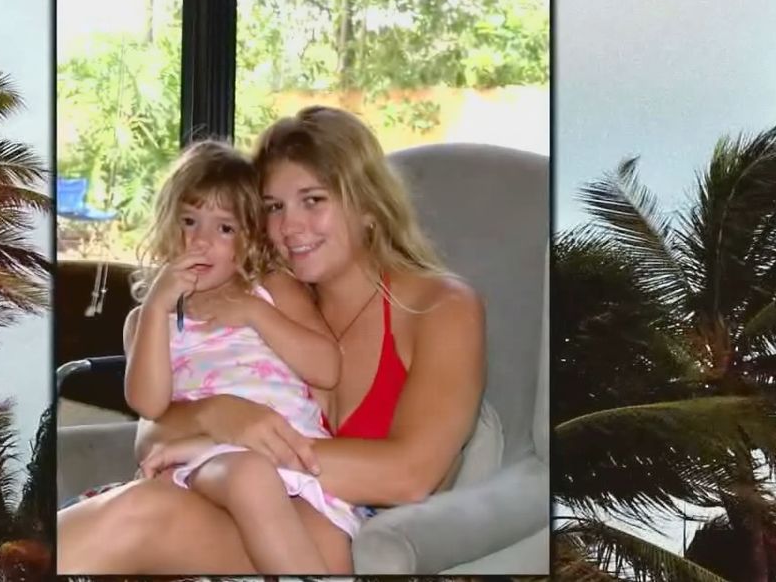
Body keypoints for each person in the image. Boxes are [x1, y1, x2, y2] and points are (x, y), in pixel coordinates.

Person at [56, 106, 485, 574]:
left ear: (368, 206)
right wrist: (218, 415)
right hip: (237, 504)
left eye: (313, 200)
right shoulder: (256, 296)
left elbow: (409, 475)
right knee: (136, 510)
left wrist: (229, 445)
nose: (289, 227)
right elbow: (152, 438)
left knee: (137, 514)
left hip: (351, 532)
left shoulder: (440, 306)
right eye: (274, 207)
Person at [79, 139, 357, 573]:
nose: (202, 240)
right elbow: (149, 404)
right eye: (189, 221)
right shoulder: (148, 319)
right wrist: (156, 307)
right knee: (250, 476)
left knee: (334, 552)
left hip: (292, 449)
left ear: (249, 240)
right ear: (168, 226)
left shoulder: (271, 290)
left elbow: (327, 368)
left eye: (225, 228)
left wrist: (255, 312)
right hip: (214, 459)